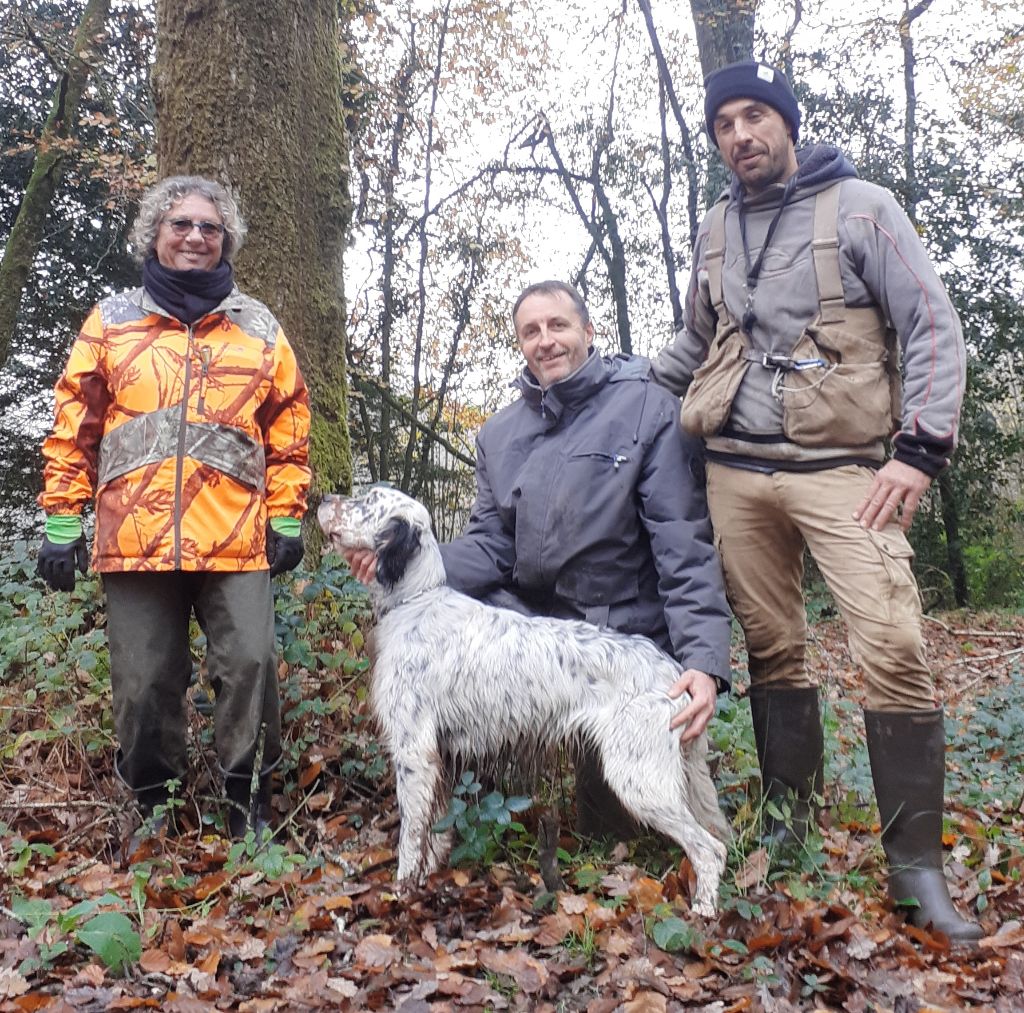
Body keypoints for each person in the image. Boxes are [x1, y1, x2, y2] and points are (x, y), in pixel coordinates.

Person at [651, 60, 981, 942]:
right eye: (724, 125)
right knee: (772, 649)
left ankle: (916, 869)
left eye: (754, 118)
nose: (739, 137)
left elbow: (933, 325)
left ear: (787, 123)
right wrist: (622, 392)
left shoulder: (864, 207)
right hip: (734, 469)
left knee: (894, 643)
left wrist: (919, 451)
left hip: (847, 471)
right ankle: (790, 823)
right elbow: (695, 339)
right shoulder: (716, 223)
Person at [347, 280, 733, 839]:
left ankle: (695, 813)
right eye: (531, 331)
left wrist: (703, 662)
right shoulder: (500, 434)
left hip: (627, 629)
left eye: (558, 325)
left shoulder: (647, 406)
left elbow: (682, 545)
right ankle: (453, 818)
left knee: (619, 832)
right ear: (520, 344)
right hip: (540, 629)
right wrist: (401, 561)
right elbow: (489, 546)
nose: (545, 341)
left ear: (588, 332)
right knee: (445, 641)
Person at [36, 175, 311, 843]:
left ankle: (248, 802)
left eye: (208, 227)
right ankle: (152, 804)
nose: (194, 235)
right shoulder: (112, 322)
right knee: (144, 680)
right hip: (135, 534)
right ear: (154, 233)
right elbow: (76, 422)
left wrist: (285, 515)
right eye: (180, 224)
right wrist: (62, 520)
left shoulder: (258, 328)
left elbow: (290, 426)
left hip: (237, 536)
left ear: (227, 240)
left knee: (248, 663)